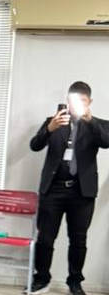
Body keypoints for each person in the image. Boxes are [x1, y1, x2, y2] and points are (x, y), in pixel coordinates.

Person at [28, 81, 109, 295]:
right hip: (53, 189)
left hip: (82, 192)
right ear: (67, 100)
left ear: (89, 102)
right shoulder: (53, 121)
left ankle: (75, 282)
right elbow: (34, 145)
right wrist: (49, 129)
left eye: (83, 101)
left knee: (78, 240)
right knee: (45, 238)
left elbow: (106, 141)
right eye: (74, 100)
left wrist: (90, 121)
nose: (77, 105)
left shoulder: (99, 125)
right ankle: (41, 278)